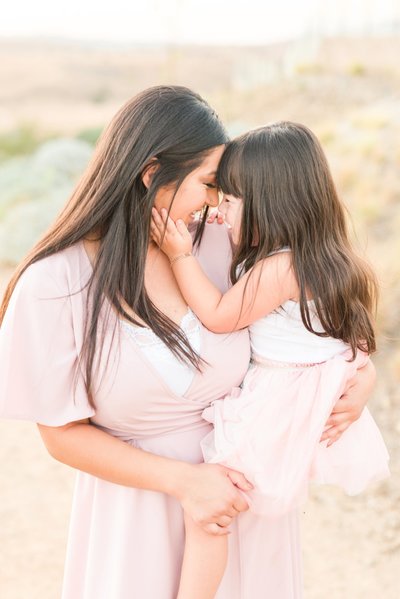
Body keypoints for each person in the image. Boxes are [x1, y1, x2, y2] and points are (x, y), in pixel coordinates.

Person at [0, 89, 377, 599]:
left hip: (247, 510)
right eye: (208, 184)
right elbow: (61, 436)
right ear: (152, 172)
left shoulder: (224, 246)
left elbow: (312, 320)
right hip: (140, 518)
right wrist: (185, 483)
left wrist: (362, 377)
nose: (216, 203)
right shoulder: (53, 284)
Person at [150, 121, 390, 599]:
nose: (220, 209)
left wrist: (180, 256)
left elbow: (220, 316)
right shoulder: (327, 257)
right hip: (302, 395)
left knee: (214, 507)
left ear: (269, 203)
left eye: (232, 200)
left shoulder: (281, 268)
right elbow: (358, 343)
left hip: (277, 407)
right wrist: (364, 378)